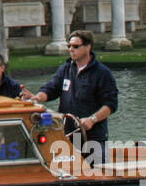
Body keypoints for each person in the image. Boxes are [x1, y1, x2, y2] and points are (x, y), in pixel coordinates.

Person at [24, 30, 118, 167]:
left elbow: (111, 104)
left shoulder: (102, 73)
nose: (71, 49)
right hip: (67, 134)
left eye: (75, 46)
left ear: (88, 47)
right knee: (66, 171)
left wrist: (93, 119)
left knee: (96, 172)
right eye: (69, 46)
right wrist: (36, 98)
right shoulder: (66, 69)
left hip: (93, 137)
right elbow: (51, 88)